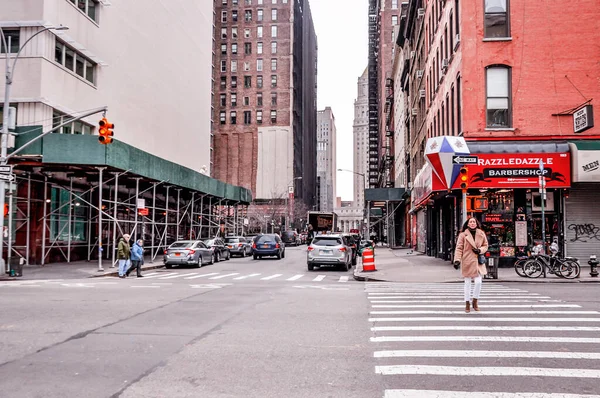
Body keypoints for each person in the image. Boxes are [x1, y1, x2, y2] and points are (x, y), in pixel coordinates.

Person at [453, 217, 489, 313]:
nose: (472, 223)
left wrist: (480, 250)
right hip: (467, 261)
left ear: (476, 223)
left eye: (474, 222)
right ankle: (467, 303)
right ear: (468, 224)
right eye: (470, 222)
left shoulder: (481, 233)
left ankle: (475, 300)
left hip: (478, 262)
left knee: (478, 282)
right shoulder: (463, 235)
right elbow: (459, 248)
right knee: (467, 283)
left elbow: (486, 245)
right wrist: (457, 260)